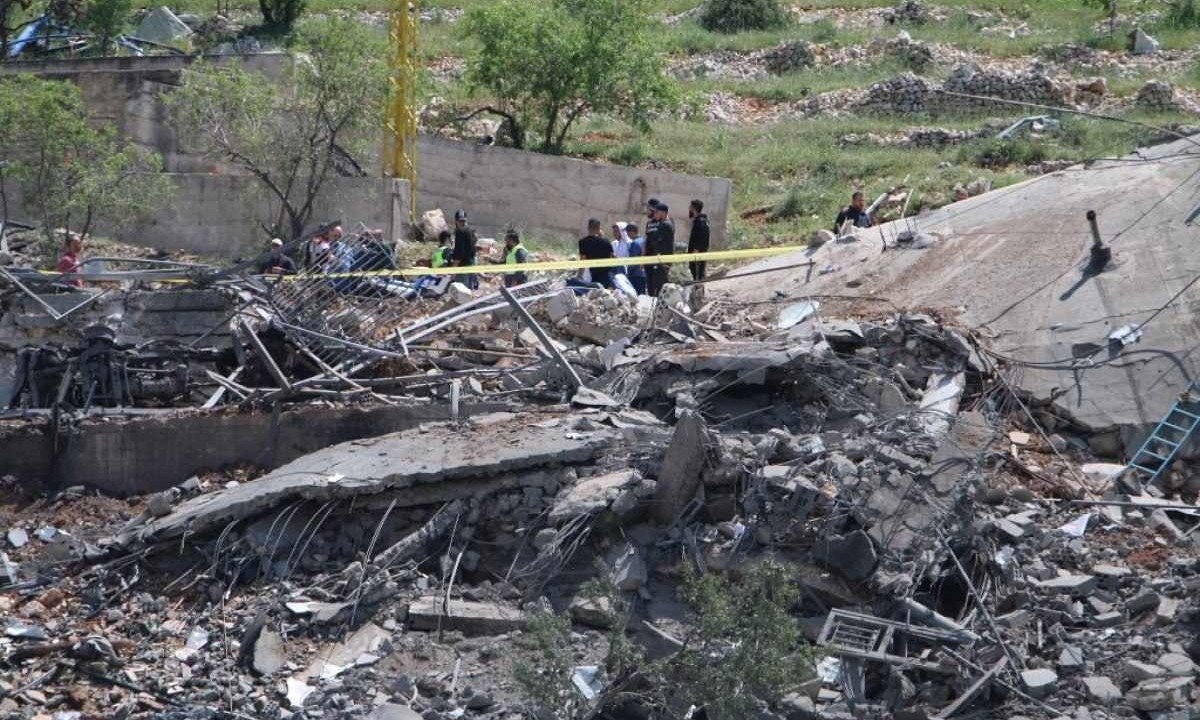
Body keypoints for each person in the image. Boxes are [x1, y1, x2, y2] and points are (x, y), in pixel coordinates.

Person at [577, 218, 616, 289]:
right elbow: (612, 258)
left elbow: (582, 261)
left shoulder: (583, 242)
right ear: (599, 229)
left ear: (588, 228)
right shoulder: (606, 242)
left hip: (594, 276)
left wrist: (579, 276)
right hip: (607, 276)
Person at [647, 203, 675, 297]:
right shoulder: (668, 223)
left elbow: (658, 241)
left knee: (659, 285)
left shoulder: (665, 225)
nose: (655, 215)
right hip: (664, 259)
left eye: (657, 212)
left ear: (663, 212)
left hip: (662, 260)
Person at [451, 209, 478, 290]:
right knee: (469, 291)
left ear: (455, 221)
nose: (462, 223)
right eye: (461, 221)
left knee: (461, 294)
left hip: (462, 268)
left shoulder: (459, 231)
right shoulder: (470, 231)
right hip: (471, 264)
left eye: (462, 221)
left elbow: (459, 253)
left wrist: (453, 269)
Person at [687, 199, 710, 281]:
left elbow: (702, 238)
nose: (689, 209)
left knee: (697, 274)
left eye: (690, 207)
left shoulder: (700, 222)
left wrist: (696, 249)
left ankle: (698, 290)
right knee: (698, 272)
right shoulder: (702, 221)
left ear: (694, 208)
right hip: (698, 252)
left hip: (697, 253)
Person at [625, 222, 647, 295]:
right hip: (643, 274)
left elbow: (633, 261)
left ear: (631, 232)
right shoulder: (643, 241)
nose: (627, 235)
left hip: (635, 275)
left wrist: (628, 273)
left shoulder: (635, 243)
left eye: (627, 232)